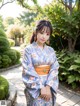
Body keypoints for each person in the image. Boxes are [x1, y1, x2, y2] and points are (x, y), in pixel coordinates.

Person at [22, 20, 59, 106]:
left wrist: (48, 86)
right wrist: (40, 87)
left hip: (48, 85)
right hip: (35, 87)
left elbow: (54, 68)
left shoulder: (51, 50)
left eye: (47, 34)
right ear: (36, 32)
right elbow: (27, 69)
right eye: (42, 32)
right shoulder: (29, 49)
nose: (44, 36)